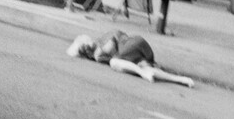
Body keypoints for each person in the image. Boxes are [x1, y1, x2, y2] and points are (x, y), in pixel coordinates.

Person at [66, 30, 196, 88]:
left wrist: (101, 55)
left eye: (84, 46)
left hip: (130, 48)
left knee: (114, 62)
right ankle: (181, 80)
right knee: (148, 68)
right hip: (140, 46)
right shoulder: (101, 42)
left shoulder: (99, 52)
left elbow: (112, 48)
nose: (87, 47)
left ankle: (142, 72)